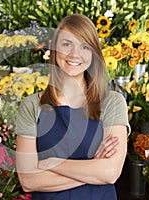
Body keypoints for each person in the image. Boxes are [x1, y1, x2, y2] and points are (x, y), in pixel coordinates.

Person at [15, 14, 130, 200]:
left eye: (85, 46)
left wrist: (51, 163)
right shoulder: (32, 106)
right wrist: (93, 169)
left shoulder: (112, 103)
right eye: (67, 44)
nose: (74, 54)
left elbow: (110, 172)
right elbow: (28, 180)